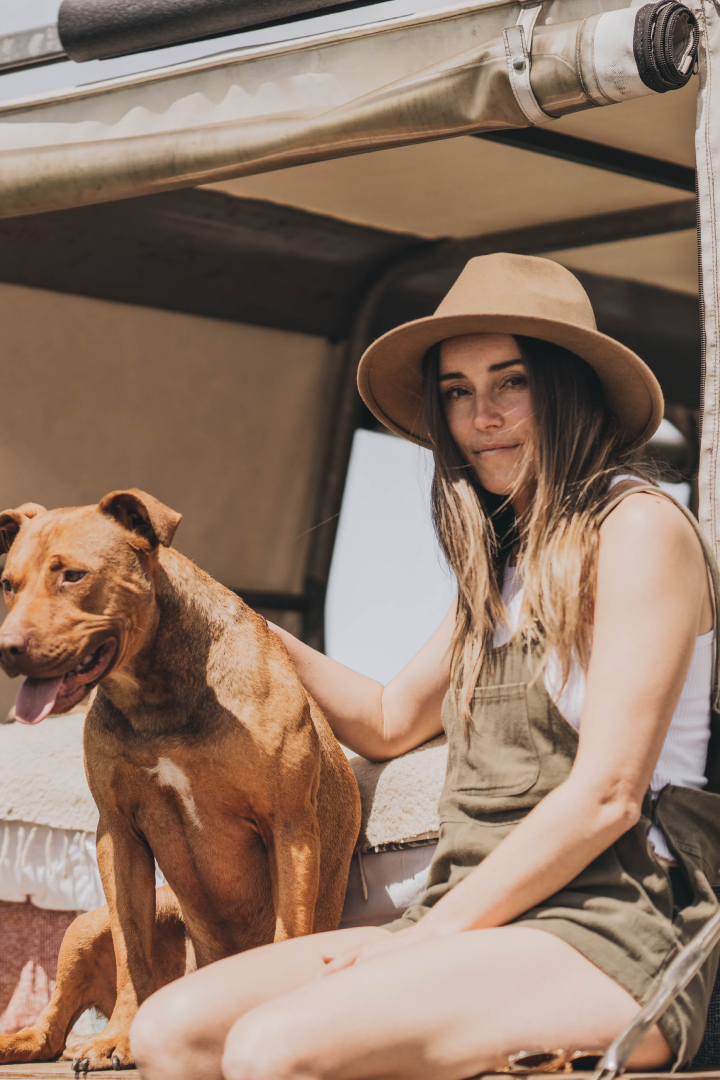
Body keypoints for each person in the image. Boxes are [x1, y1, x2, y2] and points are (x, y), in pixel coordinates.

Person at [128, 253, 720, 1080]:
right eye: (456, 390)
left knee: (277, 1048)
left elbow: (609, 795)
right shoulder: (503, 571)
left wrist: (432, 940)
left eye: (510, 382)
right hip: (468, 914)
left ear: (568, 389)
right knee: (170, 1031)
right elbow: (386, 721)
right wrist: (226, 621)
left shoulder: (638, 530)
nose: (482, 415)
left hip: (617, 927)